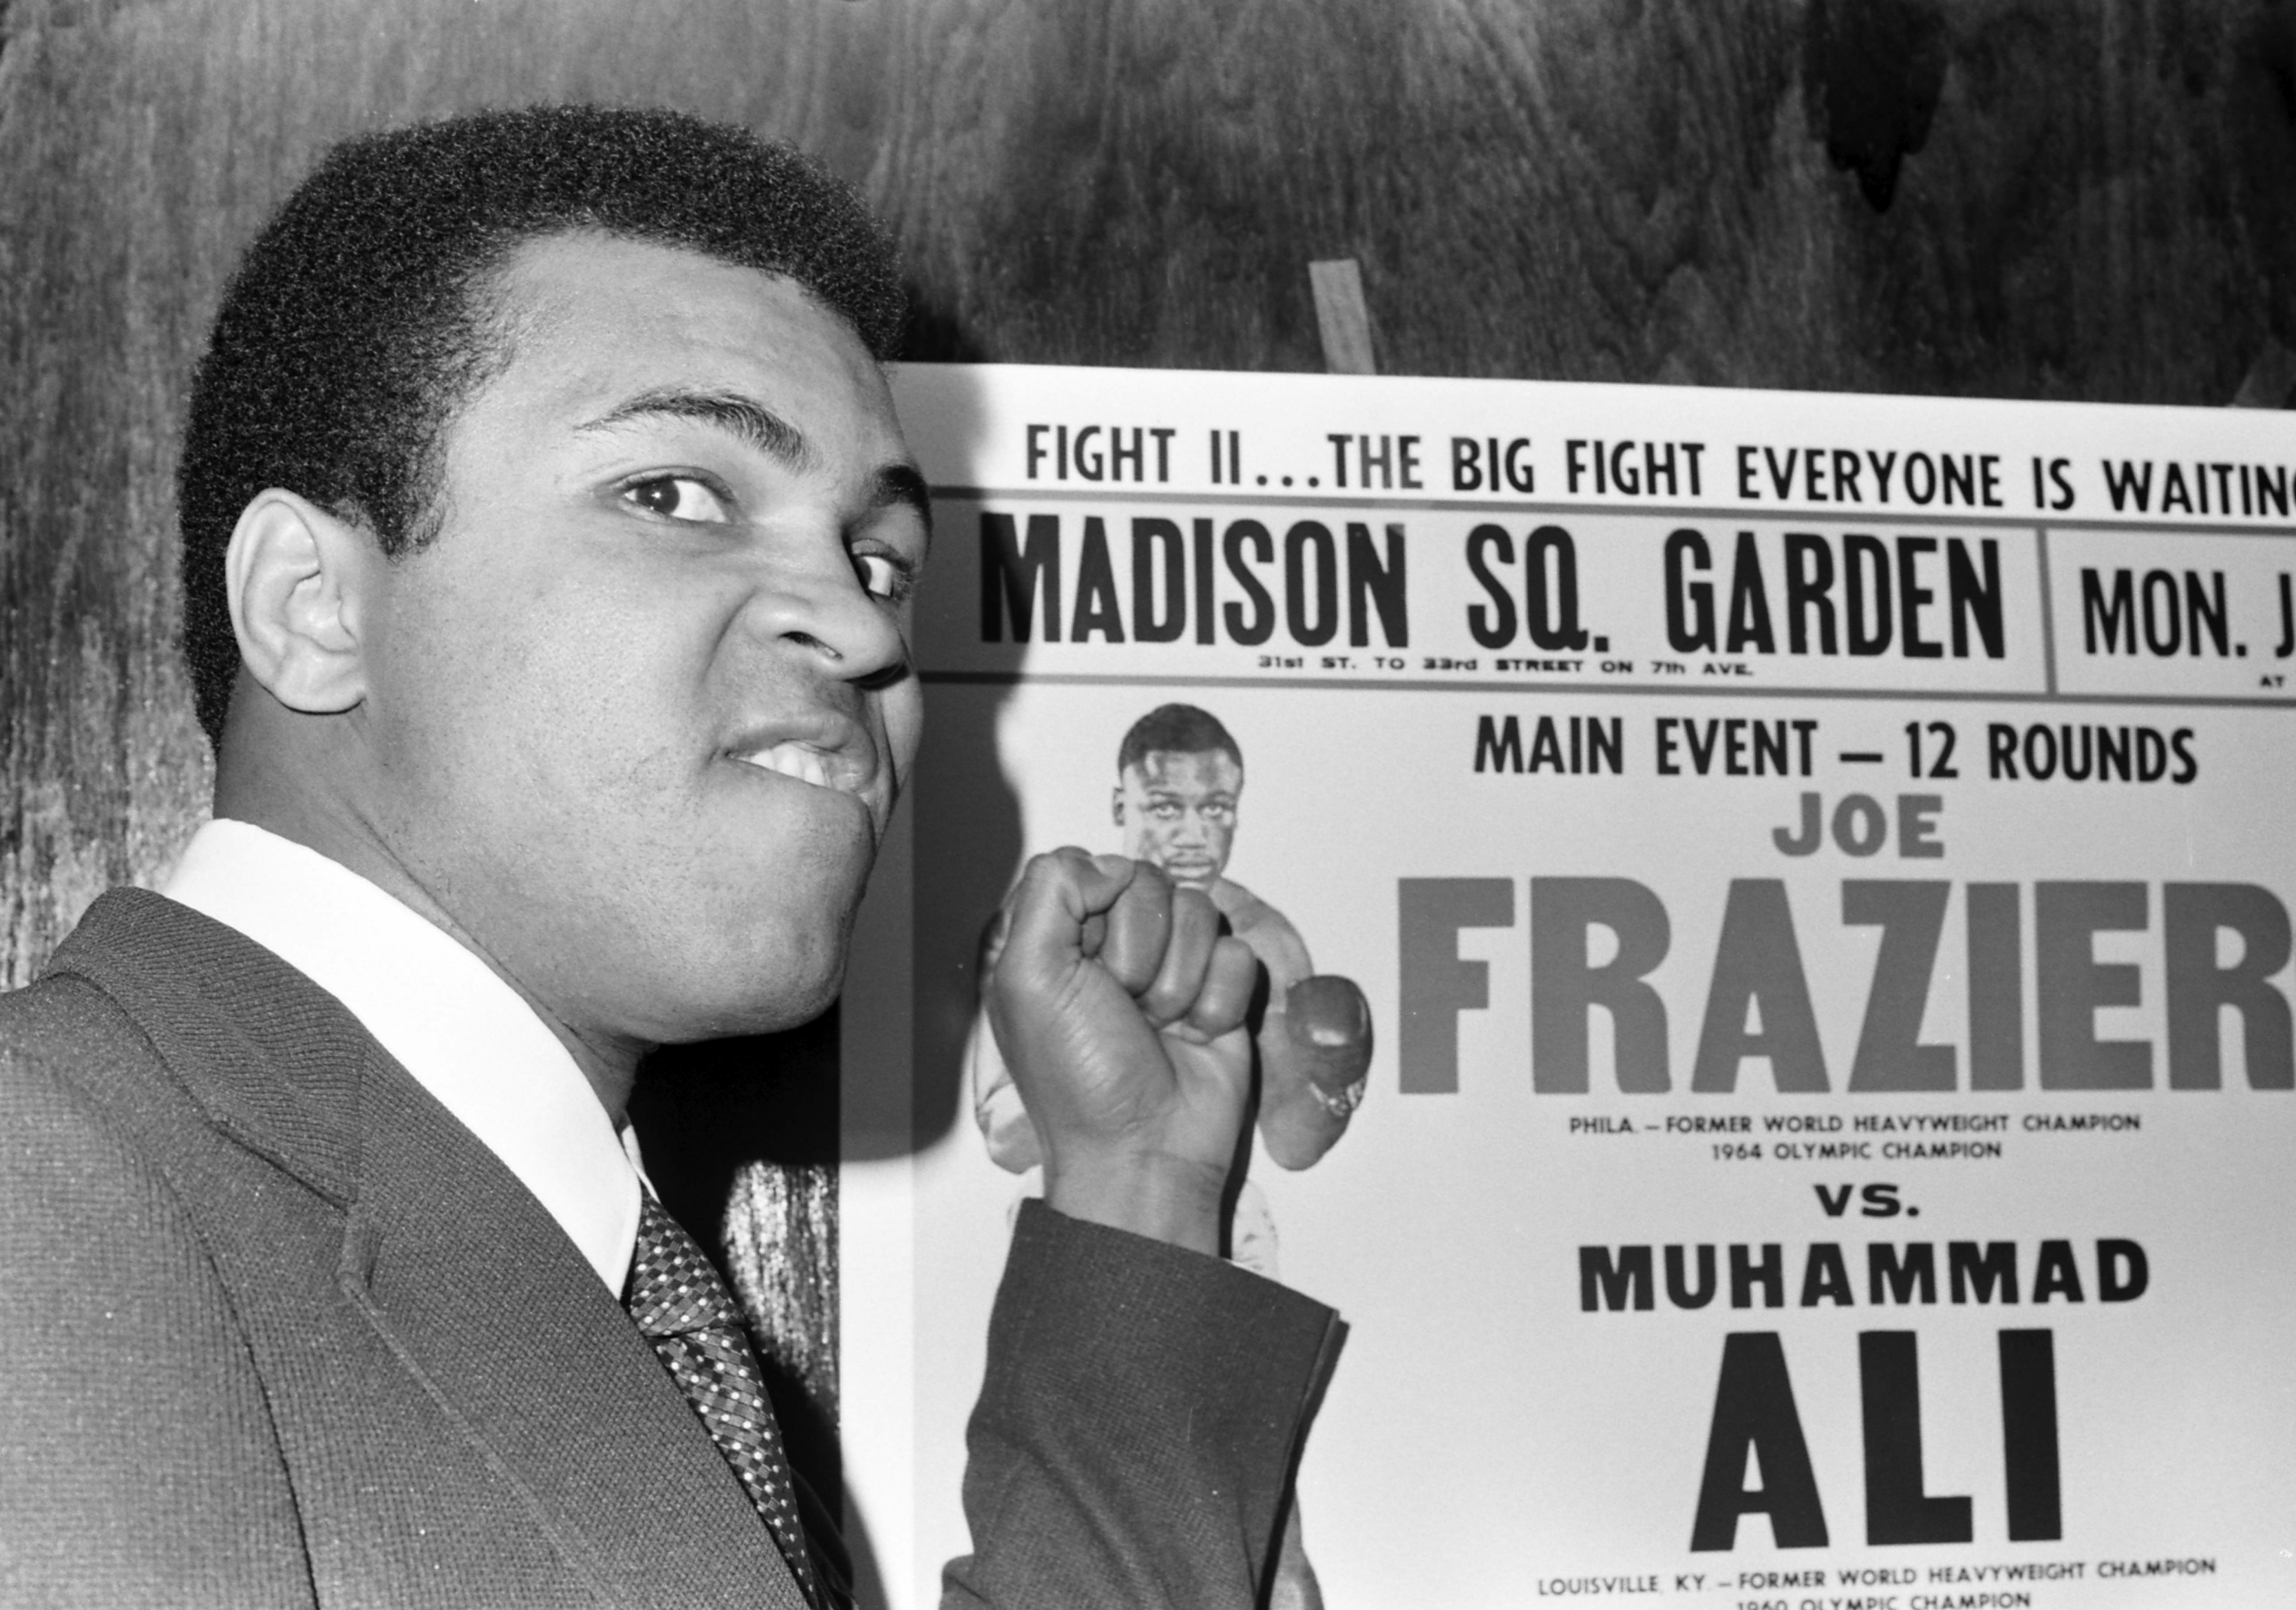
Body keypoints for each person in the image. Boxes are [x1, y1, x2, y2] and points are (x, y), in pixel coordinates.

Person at [0, 107, 1341, 1610]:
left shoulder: (551, 1255)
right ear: (312, 605)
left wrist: (1138, 1181)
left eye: (880, 557)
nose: (866, 626)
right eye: (674, 495)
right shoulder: (38, 1197)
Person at [971, 704, 1371, 1610]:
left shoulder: (1268, 938)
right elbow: (999, 1134)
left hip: (1234, 1241)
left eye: (1215, 808)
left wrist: (1332, 1075)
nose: (1192, 832)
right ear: (1120, 802)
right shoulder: (1051, 928)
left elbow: (1294, 1144)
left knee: (1270, 1541)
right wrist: (1111, 1123)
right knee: (1078, 1521)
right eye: (1165, 806)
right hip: (1085, 1241)